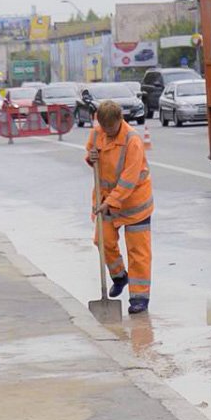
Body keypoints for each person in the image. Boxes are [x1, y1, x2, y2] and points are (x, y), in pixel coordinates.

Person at [85, 100, 153, 314]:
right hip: (106, 202)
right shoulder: (97, 134)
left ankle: (139, 298)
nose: (107, 132)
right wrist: (90, 157)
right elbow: (91, 155)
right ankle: (119, 277)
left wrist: (110, 202)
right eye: (104, 128)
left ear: (120, 120)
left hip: (135, 205)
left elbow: (129, 179)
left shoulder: (132, 141)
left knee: (138, 252)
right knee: (102, 241)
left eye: (111, 128)